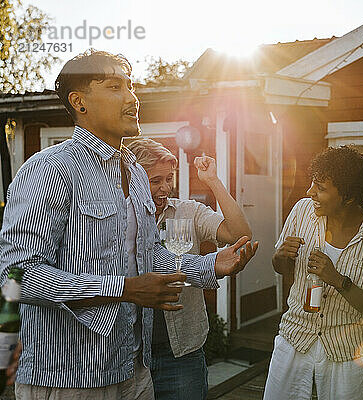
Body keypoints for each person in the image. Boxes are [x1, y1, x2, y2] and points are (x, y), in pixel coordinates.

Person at [0, 49, 257, 399]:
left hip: (135, 370)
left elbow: (149, 254)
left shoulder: (135, 173)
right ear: (80, 102)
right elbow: (16, 275)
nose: (132, 97)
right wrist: (124, 289)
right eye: (115, 87)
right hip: (67, 378)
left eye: (131, 85)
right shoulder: (51, 170)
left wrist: (210, 265)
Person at [263, 146, 363, 400]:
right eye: (312, 183)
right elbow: (282, 270)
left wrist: (338, 281)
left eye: (321, 188)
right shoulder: (301, 212)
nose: (310, 192)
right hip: (295, 337)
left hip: (347, 351)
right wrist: (280, 257)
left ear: (348, 197)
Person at [127, 137, 252, 400]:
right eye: (155, 181)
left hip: (181, 354)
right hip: (131, 356)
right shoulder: (117, 218)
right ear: (134, 180)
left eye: (168, 179)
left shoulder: (188, 212)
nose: (165, 188)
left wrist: (213, 181)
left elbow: (240, 234)